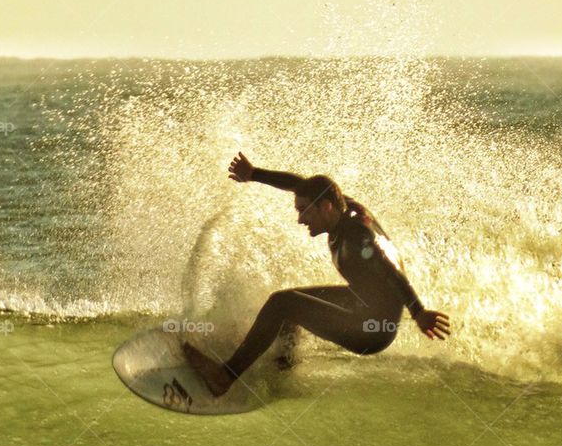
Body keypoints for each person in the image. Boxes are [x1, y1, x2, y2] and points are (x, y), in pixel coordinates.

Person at [183, 152, 451, 396]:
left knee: (282, 304)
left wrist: (418, 312)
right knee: (290, 301)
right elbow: (299, 184)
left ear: (325, 208)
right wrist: (254, 174)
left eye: (303, 211)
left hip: (371, 330)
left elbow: (390, 270)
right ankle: (283, 366)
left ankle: (224, 377)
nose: (300, 219)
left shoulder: (356, 236)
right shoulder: (342, 206)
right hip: (362, 302)